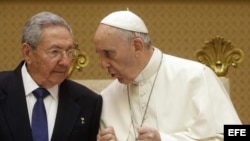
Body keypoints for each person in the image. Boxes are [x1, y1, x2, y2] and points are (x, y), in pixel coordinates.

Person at [93, 10, 242, 141]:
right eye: (100, 55)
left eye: (108, 53)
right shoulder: (107, 97)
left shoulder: (196, 77)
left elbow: (239, 134)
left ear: (137, 46)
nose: (103, 64)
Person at [0, 11, 102, 141]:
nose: (65, 62)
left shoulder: (88, 102)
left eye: (69, 52)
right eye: (55, 52)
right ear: (27, 53)